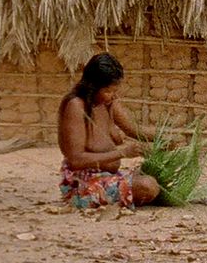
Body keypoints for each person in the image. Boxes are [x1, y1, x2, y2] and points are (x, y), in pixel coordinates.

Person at [57, 52, 160, 209]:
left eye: (115, 91)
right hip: (83, 183)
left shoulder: (108, 102)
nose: (113, 96)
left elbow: (133, 129)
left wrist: (163, 138)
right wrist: (123, 153)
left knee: (158, 178)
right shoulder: (76, 106)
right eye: (108, 91)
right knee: (148, 186)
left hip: (109, 176)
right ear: (92, 86)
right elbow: (76, 159)